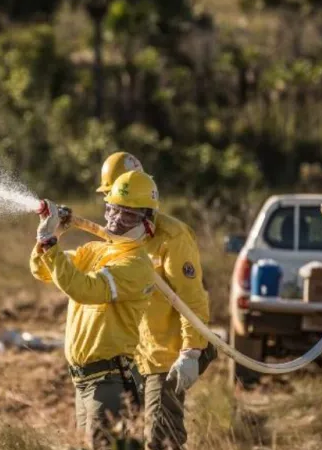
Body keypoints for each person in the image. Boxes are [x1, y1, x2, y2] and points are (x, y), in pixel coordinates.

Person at [29, 171, 158, 450]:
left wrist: (51, 241)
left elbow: (84, 289)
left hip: (110, 382)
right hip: (83, 381)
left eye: (128, 215)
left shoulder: (136, 265)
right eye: (112, 209)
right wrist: (50, 236)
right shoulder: (96, 250)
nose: (115, 219)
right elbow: (43, 271)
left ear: (147, 223)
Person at [96, 152, 210, 450]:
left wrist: (190, 353)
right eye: (110, 202)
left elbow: (192, 300)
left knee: (161, 440)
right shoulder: (118, 236)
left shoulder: (171, 237)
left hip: (168, 355)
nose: (115, 215)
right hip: (136, 352)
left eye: (125, 207)